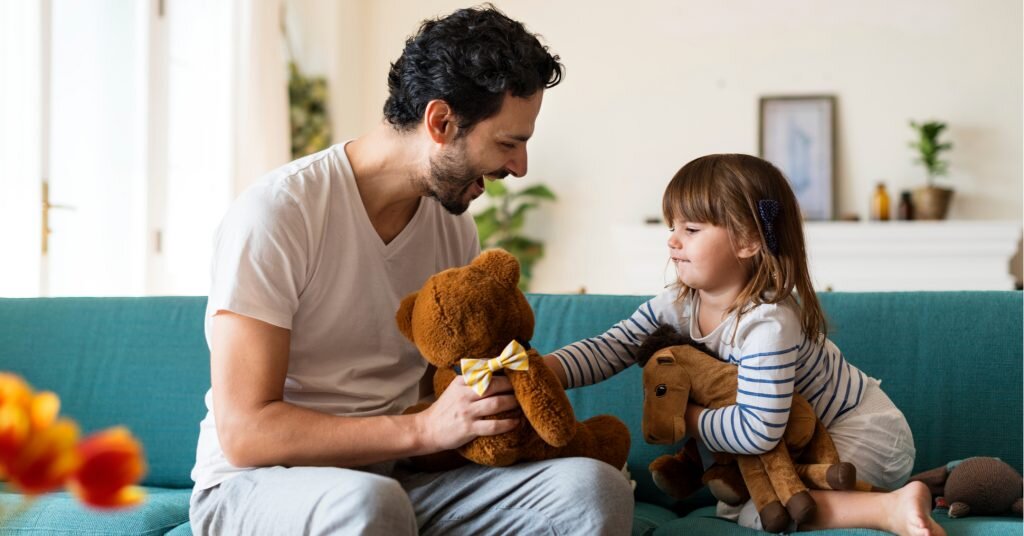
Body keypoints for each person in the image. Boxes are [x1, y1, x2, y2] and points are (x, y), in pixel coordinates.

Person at [188, 6, 633, 535]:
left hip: (397, 476)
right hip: (257, 485)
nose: (519, 167)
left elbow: (438, 383)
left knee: (589, 491)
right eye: (508, 143)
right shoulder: (278, 213)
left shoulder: (451, 228)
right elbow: (246, 432)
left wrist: (485, 413)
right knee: (368, 505)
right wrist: (424, 430)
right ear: (441, 123)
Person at [543, 154, 945, 536]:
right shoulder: (678, 304)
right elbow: (611, 346)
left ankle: (892, 507)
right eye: (672, 228)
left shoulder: (767, 321)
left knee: (763, 512)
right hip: (793, 447)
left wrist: (685, 415)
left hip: (860, 430)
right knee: (743, 507)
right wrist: (542, 371)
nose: (673, 242)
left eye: (691, 230)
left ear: (749, 240)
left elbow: (757, 432)